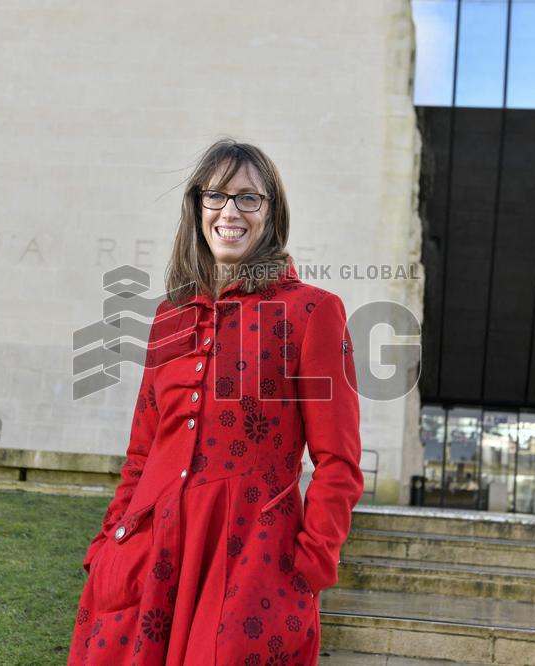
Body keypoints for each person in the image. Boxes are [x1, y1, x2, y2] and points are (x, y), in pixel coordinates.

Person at [68, 138, 364, 665]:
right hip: (149, 553)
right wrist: (106, 545)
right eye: (216, 196)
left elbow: (338, 462)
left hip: (252, 558)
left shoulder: (313, 312)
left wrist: (311, 564)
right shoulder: (169, 317)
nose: (230, 211)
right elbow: (141, 453)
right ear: (197, 207)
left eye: (248, 198)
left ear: (271, 213)